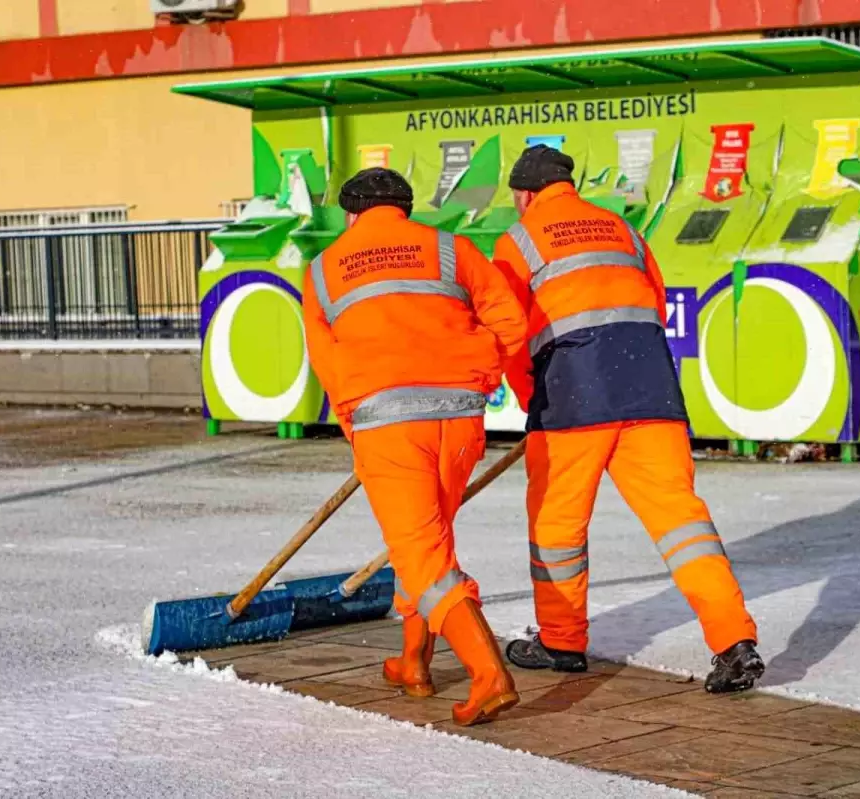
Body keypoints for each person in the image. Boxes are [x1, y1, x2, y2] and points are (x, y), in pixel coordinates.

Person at [492, 145, 765, 694]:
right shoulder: (620, 228)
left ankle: (562, 641)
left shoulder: (517, 240)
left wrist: (532, 395)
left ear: (523, 194)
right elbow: (655, 303)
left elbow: (508, 330)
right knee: (681, 523)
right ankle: (735, 643)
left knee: (557, 527)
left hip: (572, 395)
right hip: (650, 389)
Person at [302, 167, 529, 725]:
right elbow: (511, 322)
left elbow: (327, 363)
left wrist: (357, 426)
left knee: (422, 555)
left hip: (387, 425)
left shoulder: (324, 271)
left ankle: (488, 673)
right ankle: (413, 660)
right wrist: (479, 374)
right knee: (429, 542)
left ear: (351, 214)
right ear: (404, 209)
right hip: (460, 418)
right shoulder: (450, 249)